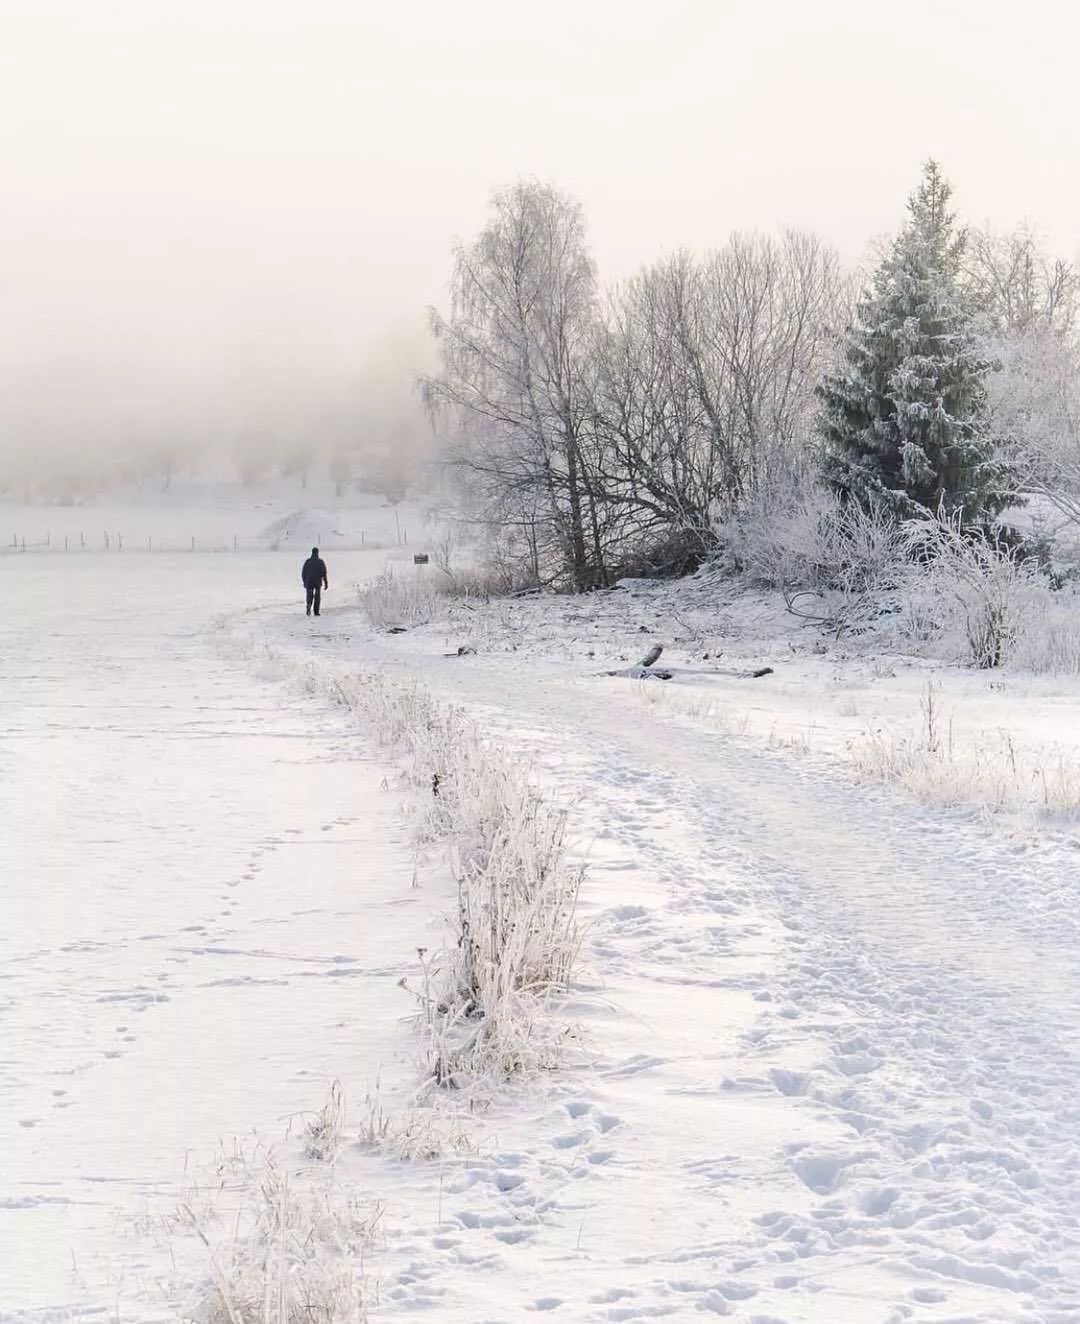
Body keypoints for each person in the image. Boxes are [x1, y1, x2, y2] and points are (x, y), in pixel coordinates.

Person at [301, 546, 329, 616]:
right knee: (317, 597)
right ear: (317, 553)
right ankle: (316, 611)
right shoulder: (320, 562)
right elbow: (324, 573)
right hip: (317, 582)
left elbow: (303, 572)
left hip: (309, 582)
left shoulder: (308, 561)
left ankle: (309, 605)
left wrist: (304, 581)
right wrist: (326, 583)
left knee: (309, 595)